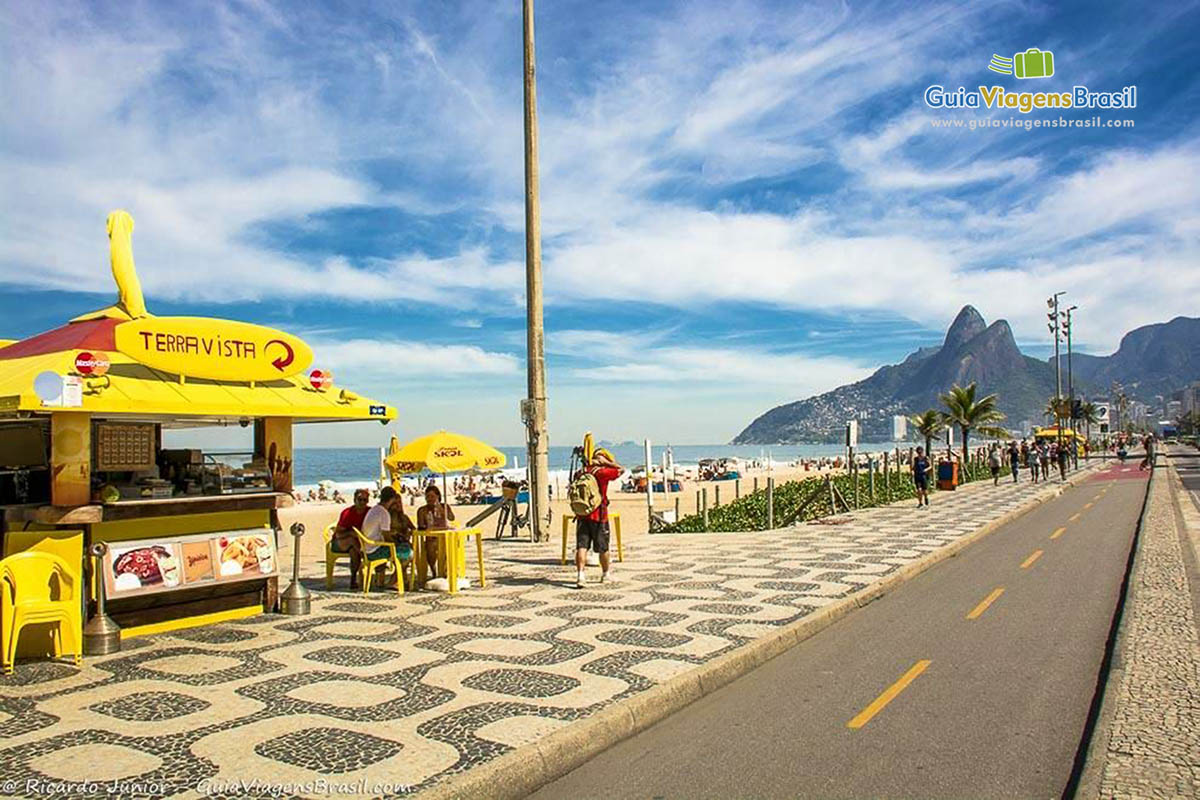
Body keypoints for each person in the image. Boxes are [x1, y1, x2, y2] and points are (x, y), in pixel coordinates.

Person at [574, 447, 623, 586]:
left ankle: (580, 575)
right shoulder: (602, 472)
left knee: (582, 546)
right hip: (599, 515)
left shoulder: (582, 471)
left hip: (582, 513)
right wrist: (609, 464)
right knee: (603, 547)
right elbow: (621, 470)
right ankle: (606, 574)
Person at [360, 486, 408, 587]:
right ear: (392, 499)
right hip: (375, 551)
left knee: (401, 549)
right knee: (408, 553)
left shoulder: (374, 509)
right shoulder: (384, 513)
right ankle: (393, 581)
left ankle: (389, 580)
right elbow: (386, 537)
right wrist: (396, 543)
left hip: (367, 548)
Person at [332, 488, 371, 590]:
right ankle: (366, 556)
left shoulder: (370, 512)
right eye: (360, 499)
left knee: (354, 551)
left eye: (364, 500)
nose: (362, 502)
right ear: (354, 499)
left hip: (358, 544)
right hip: (341, 540)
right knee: (352, 541)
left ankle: (353, 578)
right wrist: (351, 533)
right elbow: (339, 533)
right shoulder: (347, 513)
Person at [417, 485, 455, 579]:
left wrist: (441, 510)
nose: (429, 499)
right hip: (431, 537)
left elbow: (452, 518)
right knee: (431, 545)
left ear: (438, 497)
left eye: (432, 496)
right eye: (427, 497)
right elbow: (420, 526)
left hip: (443, 536)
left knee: (447, 545)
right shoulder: (422, 510)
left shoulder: (444, 507)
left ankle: (444, 570)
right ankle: (434, 571)